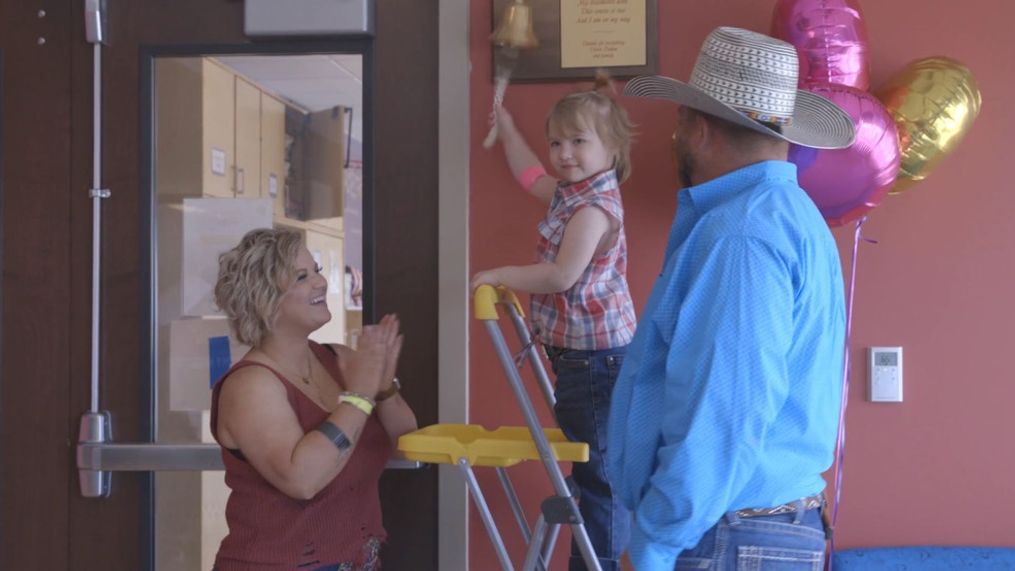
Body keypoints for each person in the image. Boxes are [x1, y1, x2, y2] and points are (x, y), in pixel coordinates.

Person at [605, 27, 856, 570]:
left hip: (729, 537)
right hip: (753, 532)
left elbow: (724, 416)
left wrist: (655, 544)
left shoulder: (741, 234)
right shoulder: (793, 219)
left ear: (695, 129)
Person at [471, 74, 637, 571]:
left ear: (611, 147)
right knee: (592, 471)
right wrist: (508, 131)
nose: (564, 153)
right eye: (556, 142)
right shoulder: (572, 191)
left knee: (599, 477)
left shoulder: (592, 210)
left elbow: (563, 276)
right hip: (584, 358)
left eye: (579, 141)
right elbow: (530, 178)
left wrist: (499, 273)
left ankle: (596, 564)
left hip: (596, 362)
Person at [210, 227, 418, 571]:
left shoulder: (338, 358)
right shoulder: (249, 385)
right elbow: (302, 480)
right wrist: (360, 397)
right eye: (302, 277)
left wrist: (382, 389)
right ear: (265, 299)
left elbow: (405, 443)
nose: (320, 282)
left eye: (317, 271)